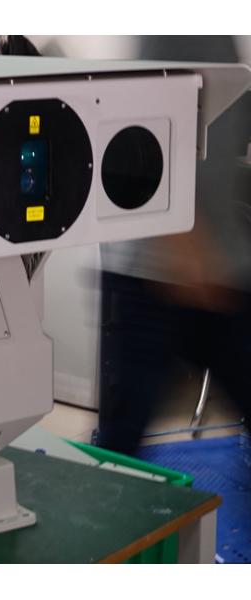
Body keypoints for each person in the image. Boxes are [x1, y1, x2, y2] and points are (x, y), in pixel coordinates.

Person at [97, 36, 251, 455]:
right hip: (158, 270)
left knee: (122, 438)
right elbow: (143, 134)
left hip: (217, 267)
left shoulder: (220, 37)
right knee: (121, 443)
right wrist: (189, 247)